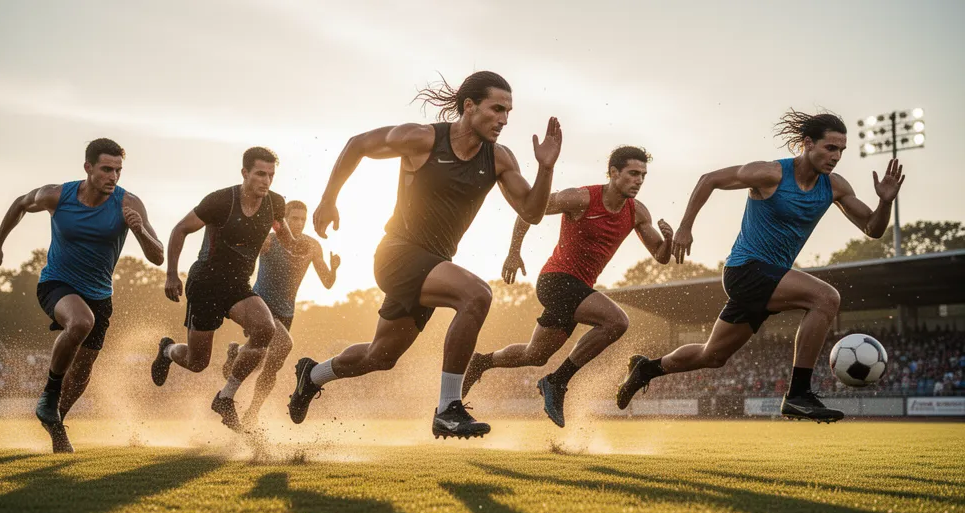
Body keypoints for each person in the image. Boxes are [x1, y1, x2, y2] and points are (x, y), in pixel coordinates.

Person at [287, 71, 563, 439]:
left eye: (508, 112)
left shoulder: (499, 159)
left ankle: (312, 374)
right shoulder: (422, 139)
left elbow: (531, 212)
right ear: (469, 106)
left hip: (434, 264)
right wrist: (328, 199)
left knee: (381, 357)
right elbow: (357, 144)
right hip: (397, 253)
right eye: (496, 109)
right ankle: (449, 408)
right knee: (476, 295)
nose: (504, 120)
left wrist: (546, 168)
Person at [616, 110, 905, 423]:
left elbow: (872, 228)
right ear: (808, 143)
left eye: (841, 151)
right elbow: (709, 179)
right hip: (746, 270)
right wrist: (685, 227)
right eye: (830, 148)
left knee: (712, 356)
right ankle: (797, 394)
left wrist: (886, 202)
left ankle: (646, 368)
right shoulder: (770, 174)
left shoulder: (834, 186)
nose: (836, 156)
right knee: (826, 298)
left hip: (770, 279)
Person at [463, 146, 673, 427]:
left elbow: (660, 256)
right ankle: (557, 381)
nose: (639, 180)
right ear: (613, 173)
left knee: (534, 355)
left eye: (643, 175)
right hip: (556, 280)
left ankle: (481, 361)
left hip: (578, 290)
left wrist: (669, 240)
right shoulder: (581, 198)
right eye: (633, 173)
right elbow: (530, 209)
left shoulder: (637, 213)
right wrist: (514, 252)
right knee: (616, 322)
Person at [0, 138, 164, 452]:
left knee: (82, 373)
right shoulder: (58, 195)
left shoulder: (128, 204)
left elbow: (158, 256)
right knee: (81, 323)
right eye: (106, 169)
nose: (113, 176)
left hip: (100, 294)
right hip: (56, 283)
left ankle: (55, 422)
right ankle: (49, 396)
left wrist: (141, 231)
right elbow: (21, 203)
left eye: (118, 170)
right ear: (88, 168)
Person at [150, 147, 302, 432]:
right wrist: (171, 274)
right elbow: (180, 229)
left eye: (271, 175)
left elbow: (285, 235)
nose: (266, 180)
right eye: (260, 174)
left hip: (238, 287)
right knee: (197, 363)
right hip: (205, 284)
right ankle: (168, 350)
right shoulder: (221, 201)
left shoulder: (275, 203)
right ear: (245, 173)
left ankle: (225, 396)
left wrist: (293, 241)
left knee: (265, 329)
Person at [219, 200, 340, 427]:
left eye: (303, 219)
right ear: (283, 220)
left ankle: (249, 394)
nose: (299, 223)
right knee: (284, 344)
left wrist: (333, 269)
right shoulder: (270, 240)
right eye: (294, 218)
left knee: (265, 364)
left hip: (286, 313)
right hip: (260, 305)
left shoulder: (312, 246)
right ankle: (239, 403)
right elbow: (243, 257)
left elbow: (327, 282)